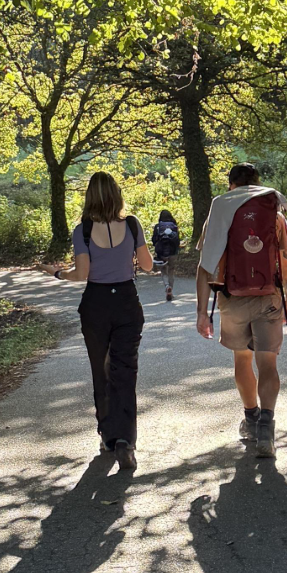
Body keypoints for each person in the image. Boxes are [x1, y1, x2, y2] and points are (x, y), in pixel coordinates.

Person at [40, 171, 153, 470]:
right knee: (125, 371)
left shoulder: (84, 230)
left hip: (96, 304)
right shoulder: (132, 224)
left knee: (101, 370)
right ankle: (126, 441)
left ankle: (108, 436)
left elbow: (81, 274)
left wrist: (56, 273)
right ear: (117, 194)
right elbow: (147, 265)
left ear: (89, 197)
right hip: (127, 301)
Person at [196, 162, 287, 458]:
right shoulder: (274, 213)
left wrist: (202, 312)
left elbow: (205, 265)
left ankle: (251, 419)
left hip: (233, 299)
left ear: (231, 184)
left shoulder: (220, 211)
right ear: (257, 183)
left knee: (242, 360)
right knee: (268, 364)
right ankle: (267, 426)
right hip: (269, 297)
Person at [151, 209, 181, 301]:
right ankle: (171, 289)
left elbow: (154, 240)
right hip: (173, 252)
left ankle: (167, 286)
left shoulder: (158, 227)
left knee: (163, 271)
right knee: (171, 270)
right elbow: (177, 240)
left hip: (162, 253)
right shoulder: (174, 226)